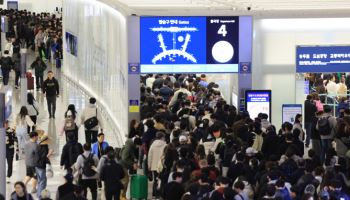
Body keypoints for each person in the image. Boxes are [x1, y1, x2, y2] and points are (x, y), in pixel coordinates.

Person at [148, 132, 167, 198]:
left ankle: (154, 194)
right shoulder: (165, 145)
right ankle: (160, 194)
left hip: (154, 165)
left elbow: (150, 156)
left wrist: (149, 165)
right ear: (162, 137)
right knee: (161, 179)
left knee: (155, 180)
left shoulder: (152, 145)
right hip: (162, 166)